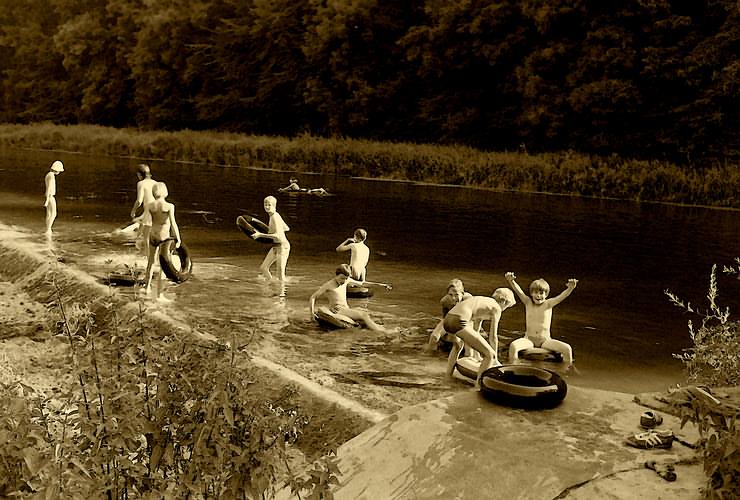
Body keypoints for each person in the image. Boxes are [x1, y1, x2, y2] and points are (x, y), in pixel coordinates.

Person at [443, 288, 516, 388]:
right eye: (507, 306)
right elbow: (493, 337)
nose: (504, 309)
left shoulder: (484, 302)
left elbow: (475, 332)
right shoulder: (497, 308)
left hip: (448, 319)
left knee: (458, 346)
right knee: (490, 355)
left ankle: (447, 378)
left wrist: (477, 356)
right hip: (459, 320)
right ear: (503, 301)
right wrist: (495, 359)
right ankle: (478, 387)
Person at [505, 272, 578, 364]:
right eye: (536, 292)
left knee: (567, 348)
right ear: (531, 293)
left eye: (541, 293)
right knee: (513, 346)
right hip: (529, 339)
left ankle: (568, 369)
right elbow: (519, 291)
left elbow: (561, 297)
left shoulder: (548, 304)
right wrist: (511, 281)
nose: (538, 295)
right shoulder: (528, 302)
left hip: (545, 341)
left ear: (546, 295)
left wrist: (570, 288)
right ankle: (512, 367)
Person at [309, 264, 392, 331]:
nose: (344, 281)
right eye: (341, 278)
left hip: (345, 308)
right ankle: (384, 332)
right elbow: (313, 297)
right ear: (336, 275)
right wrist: (312, 313)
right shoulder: (329, 285)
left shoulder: (347, 280)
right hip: (338, 309)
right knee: (364, 315)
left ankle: (379, 327)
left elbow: (362, 284)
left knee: (365, 314)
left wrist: (381, 285)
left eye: (346, 279)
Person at [144, 182, 181, 300]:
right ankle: (159, 295)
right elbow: (173, 223)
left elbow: (147, 220)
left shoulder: (150, 206)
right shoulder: (169, 206)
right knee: (162, 267)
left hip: (152, 235)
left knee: (150, 262)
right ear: (165, 192)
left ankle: (147, 288)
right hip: (163, 237)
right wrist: (178, 238)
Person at [425, 279, 474, 351]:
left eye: (456, 295)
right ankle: (428, 357)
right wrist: (447, 332)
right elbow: (445, 318)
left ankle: (467, 357)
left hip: (467, 320)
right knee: (434, 337)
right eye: (450, 295)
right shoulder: (445, 301)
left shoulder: (469, 300)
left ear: (462, 293)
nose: (453, 298)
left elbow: (472, 318)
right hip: (450, 318)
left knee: (459, 340)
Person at [251, 196, 290, 281]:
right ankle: (271, 283)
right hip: (276, 245)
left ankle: (281, 294)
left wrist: (260, 234)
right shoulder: (275, 215)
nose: (267, 207)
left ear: (274, 206)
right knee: (263, 268)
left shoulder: (275, 217)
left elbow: (278, 236)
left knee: (280, 275)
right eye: (265, 205)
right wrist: (272, 229)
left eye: (269, 205)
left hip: (283, 247)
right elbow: (287, 228)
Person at [130, 163, 157, 254]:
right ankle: (148, 255)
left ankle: (149, 258)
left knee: (146, 237)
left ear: (139, 174)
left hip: (148, 212)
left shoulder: (141, 183)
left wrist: (133, 211)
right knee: (148, 235)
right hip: (156, 210)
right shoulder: (155, 183)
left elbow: (139, 201)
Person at [43, 160, 64, 234]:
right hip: (51, 196)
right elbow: (49, 187)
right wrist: (47, 200)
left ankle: (48, 228)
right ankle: (49, 229)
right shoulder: (51, 176)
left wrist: (46, 198)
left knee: (49, 213)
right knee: (54, 213)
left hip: (48, 196)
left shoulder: (48, 174)